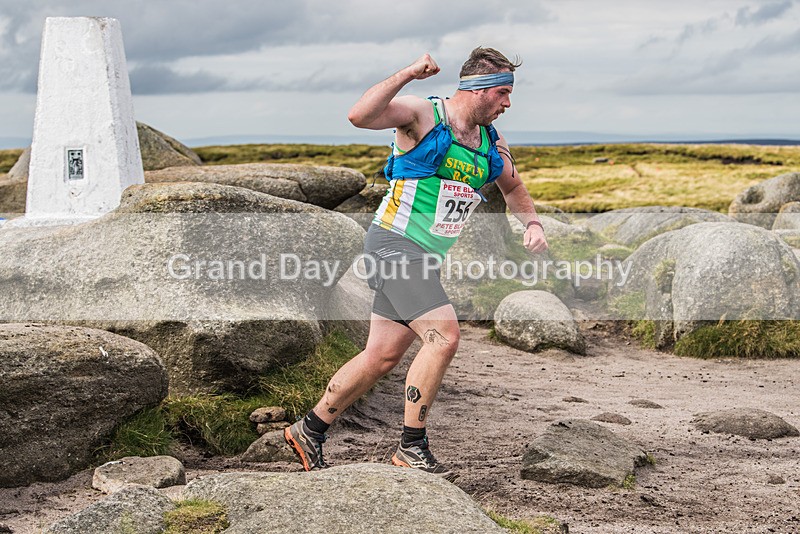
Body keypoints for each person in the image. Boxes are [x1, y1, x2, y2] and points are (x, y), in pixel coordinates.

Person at [285, 47, 548, 480]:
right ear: (478, 89)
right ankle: (411, 446)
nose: (507, 103)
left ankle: (309, 429)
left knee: (382, 355)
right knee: (444, 337)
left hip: (424, 259)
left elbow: (513, 189)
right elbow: (359, 116)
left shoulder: (491, 141)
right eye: (502, 92)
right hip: (393, 244)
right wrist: (408, 72)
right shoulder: (423, 115)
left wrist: (532, 224)